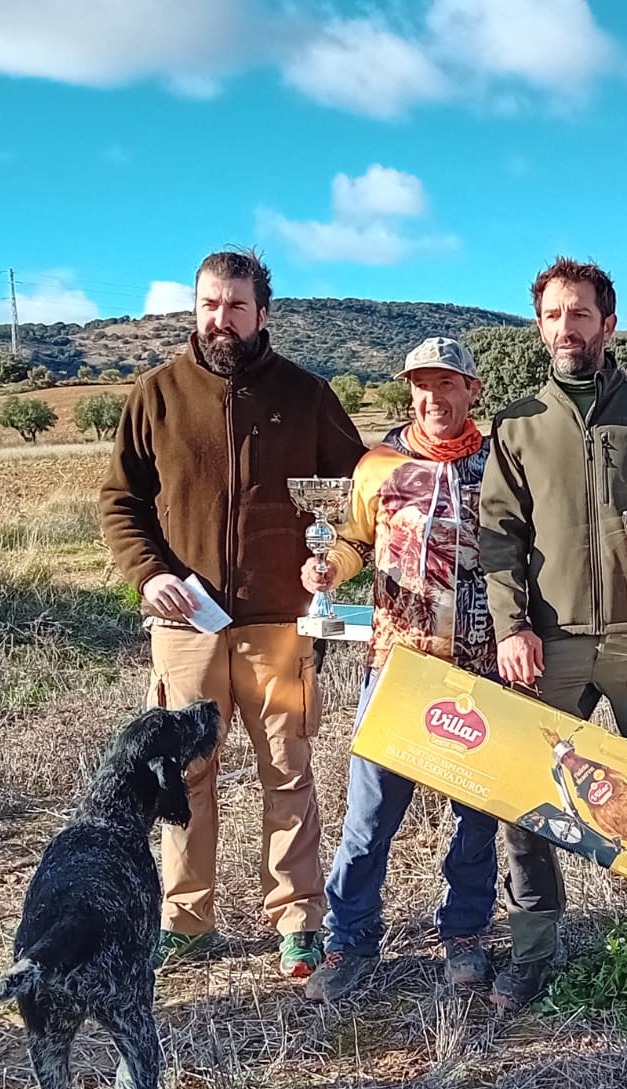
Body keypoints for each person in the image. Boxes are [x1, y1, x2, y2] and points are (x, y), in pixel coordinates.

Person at [100, 247, 366, 978]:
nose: (222, 318)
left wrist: (335, 559)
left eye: (237, 306)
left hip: (280, 625)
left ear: (263, 313)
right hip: (185, 624)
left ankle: (298, 919)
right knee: (185, 775)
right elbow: (120, 502)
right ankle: (186, 920)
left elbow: (359, 498)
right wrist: (149, 574)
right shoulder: (154, 395)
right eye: (210, 304)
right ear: (195, 308)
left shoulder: (309, 395)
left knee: (288, 769)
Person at [480, 257, 627, 1012]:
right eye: (553, 314)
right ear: (539, 323)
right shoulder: (517, 423)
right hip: (545, 642)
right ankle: (534, 952)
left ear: (608, 324)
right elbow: (497, 535)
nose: (566, 328)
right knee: (527, 801)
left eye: (580, 314)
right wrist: (513, 625)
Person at [297, 337, 500, 1002]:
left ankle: (465, 937)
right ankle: (350, 941)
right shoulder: (378, 465)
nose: (434, 397)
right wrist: (331, 568)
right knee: (369, 817)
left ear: (473, 391)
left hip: (479, 667)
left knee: (473, 816)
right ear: (408, 389)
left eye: (449, 384)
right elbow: (354, 539)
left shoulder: (498, 464)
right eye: (422, 384)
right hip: (396, 667)